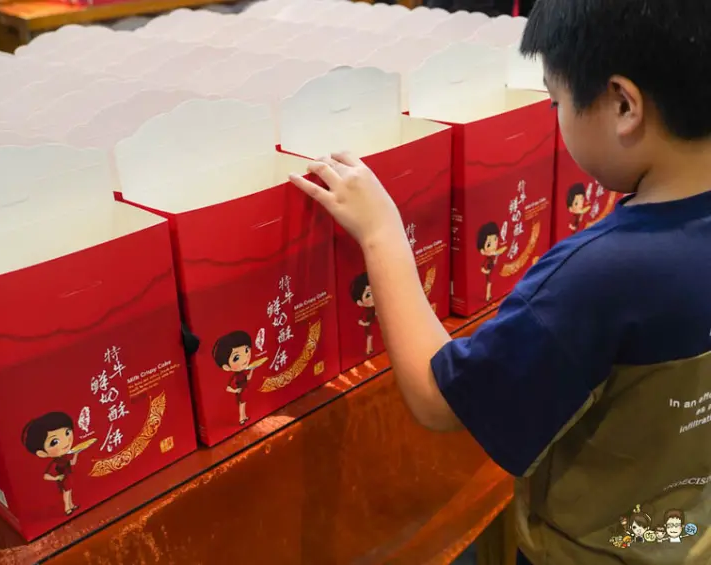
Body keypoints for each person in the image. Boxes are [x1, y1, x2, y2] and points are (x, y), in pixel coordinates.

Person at [288, 1, 711, 563]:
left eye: (557, 102)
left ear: (622, 104)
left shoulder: (598, 276)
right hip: (686, 536)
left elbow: (438, 400)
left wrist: (381, 232)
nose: (555, 116)